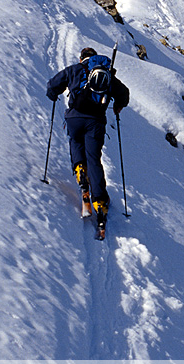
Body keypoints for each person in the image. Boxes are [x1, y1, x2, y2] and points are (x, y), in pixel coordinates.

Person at [46, 47, 130, 232]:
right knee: (94, 158)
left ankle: (80, 173)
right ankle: (100, 203)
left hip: (75, 118)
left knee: (75, 143)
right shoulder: (107, 74)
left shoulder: (74, 69)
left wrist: (53, 95)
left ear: (82, 58)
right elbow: (124, 94)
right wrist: (117, 106)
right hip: (96, 121)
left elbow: (53, 86)